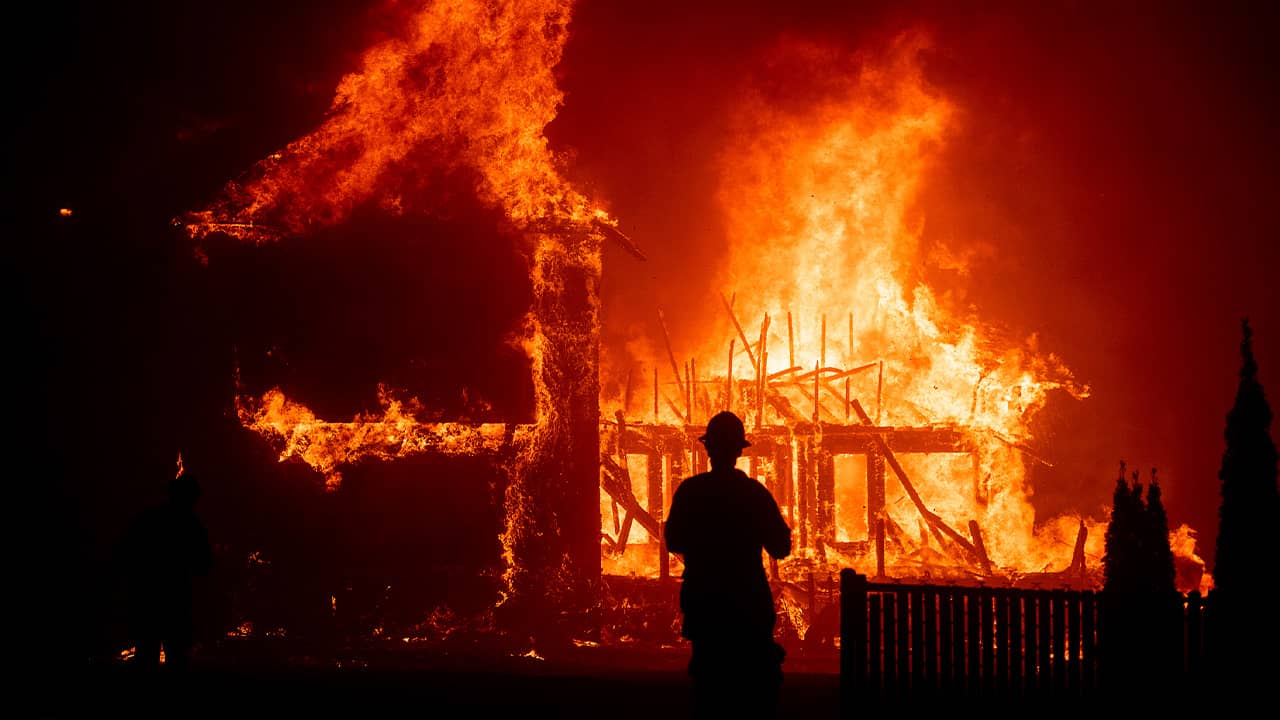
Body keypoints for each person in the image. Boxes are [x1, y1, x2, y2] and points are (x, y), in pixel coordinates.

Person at [664, 411, 792, 717]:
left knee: (710, 690)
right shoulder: (754, 495)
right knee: (755, 691)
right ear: (739, 450)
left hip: (705, 606)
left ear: (708, 449)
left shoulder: (690, 492)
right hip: (748, 606)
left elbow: (675, 542)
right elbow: (781, 547)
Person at [119, 473, 213, 671]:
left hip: (149, 598)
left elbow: (128, 553)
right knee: (174, 654)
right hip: (173, 599)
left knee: (148, 653)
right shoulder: (191, 525)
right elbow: (204, 564)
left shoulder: (150, 519)